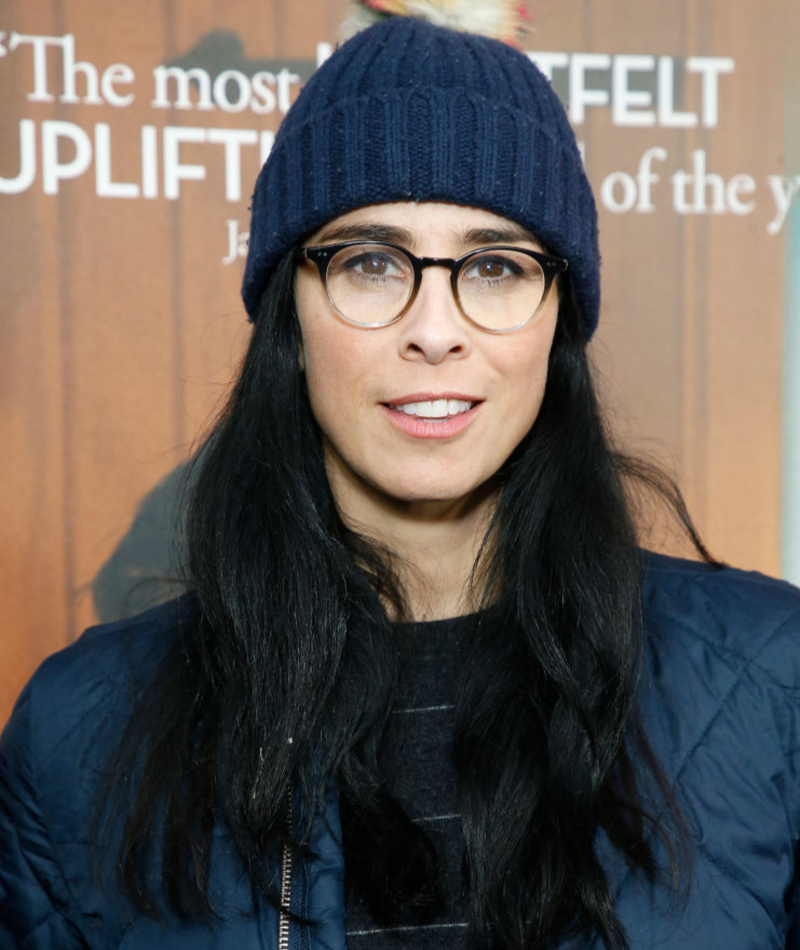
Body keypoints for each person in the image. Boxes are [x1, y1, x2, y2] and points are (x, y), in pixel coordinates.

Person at [2, 3, 800, 949]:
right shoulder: (79, 734)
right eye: (373, 262)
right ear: (289, 315)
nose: (435, 328)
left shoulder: (773, 685)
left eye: (496, 266)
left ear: (561, 320)